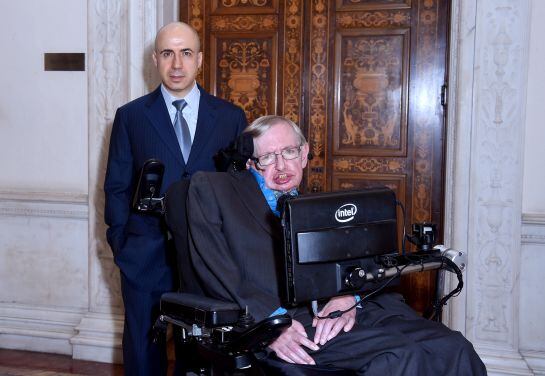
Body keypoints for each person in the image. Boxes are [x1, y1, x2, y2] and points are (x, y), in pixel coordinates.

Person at [185, 115, 487, 375]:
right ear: (251, 164)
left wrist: (349, 297)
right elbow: (213, 268)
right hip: (291, 321)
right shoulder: (216, 192)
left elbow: (364, 265)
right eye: (267, 157)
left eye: (289, 152)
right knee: (401, 357)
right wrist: (270, 325)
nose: (281, 165)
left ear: (304, 155)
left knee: (456, 348)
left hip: (353, 311)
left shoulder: (326, 206)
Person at [104, 22, 247, 375]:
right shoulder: (131, 117)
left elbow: (241, 188)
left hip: (207, 254)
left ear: (199, 59)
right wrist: (122, 242)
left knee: (201, 346)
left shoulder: (230, 118)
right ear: (155, 59)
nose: (177, 64)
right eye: (168, 53)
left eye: (185, 53)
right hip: (144, 254)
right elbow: (116, 187)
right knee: (142, 346)